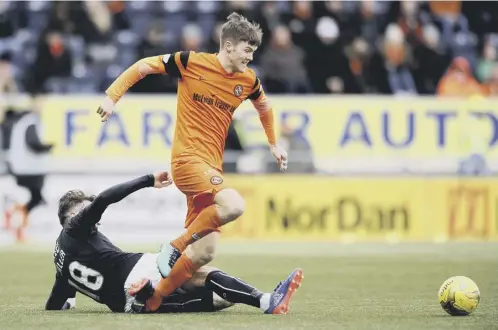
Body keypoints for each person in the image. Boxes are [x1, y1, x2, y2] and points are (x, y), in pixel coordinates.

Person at [96, 12, 296, 313]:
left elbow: (264, 107)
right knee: (234, 205)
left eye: (253, 51)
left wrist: (273, 143)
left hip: (211, 168)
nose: (251, 57)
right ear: (228, 46)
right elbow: (143, 66)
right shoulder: (190, 62)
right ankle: (174, 247)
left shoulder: (248, 80)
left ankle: (152, 299)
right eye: (247, 50)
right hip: (187, 161)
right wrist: (112, 96)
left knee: (204, 253)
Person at [46, 172, 303, 314]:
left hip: (128, 305)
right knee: (201, 271)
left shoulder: (61, 260)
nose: (90, 213)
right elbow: (104, 199)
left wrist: (67, 303)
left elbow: (54, 304)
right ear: (71, 214)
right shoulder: (76, 225)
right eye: (84, 208)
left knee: (216, 300)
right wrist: (148, 180)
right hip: (138, 273)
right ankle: (266, 301)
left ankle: (264, 300)